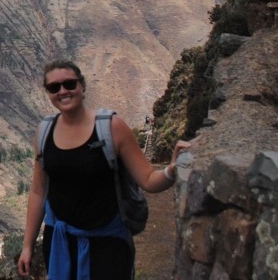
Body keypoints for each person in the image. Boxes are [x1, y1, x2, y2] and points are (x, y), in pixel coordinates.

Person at [16, 59, 191, 279]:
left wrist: (171, 171)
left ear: (82, 85)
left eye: (69, 84)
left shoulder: (111, 127)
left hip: (108, 243)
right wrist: (27, 246)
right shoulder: (44, 132)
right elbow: (38, 191)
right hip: (60, 243)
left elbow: (147, 179)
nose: (63, 91)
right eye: (54, 87)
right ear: (48, 93)